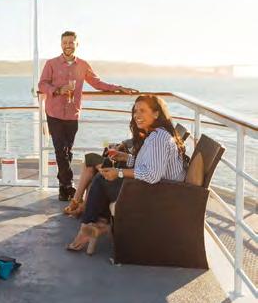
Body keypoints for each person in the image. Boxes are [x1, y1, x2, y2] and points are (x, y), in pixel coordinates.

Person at [66, 95, 187, 254]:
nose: (137, 115)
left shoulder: (158, 138)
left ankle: (88, 228)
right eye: (135, 111)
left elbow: (152, 174)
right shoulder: (156, 134)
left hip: (158, 196)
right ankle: (99, 224)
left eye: (143, 111)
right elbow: (147, 164)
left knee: (101, 180)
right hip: (158, 190)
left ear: (156, 114)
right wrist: (126, 157)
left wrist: (120, 173)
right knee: (105, 177)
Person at [38, 31, 138, 201]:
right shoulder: (51, 64)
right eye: (65, 42)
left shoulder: (83, 65)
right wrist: (57, 90)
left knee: (67, 151)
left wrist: (118, 88)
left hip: (72, 114)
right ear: (61, 44)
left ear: (77, 44)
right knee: (60, 150)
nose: (68, 45)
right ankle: (67, 185)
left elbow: (97, 83)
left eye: (71, 42)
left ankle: (64, 187)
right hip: (54, 112)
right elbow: (42, 84)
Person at [62, 139, 133, 217]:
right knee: (91, 168)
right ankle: (82, 205)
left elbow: (129, 145)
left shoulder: (140, 139)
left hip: (123, 167)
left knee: (90, 158)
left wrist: (120, 147)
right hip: (123, 163)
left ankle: (77, 201)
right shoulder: (138, 140)